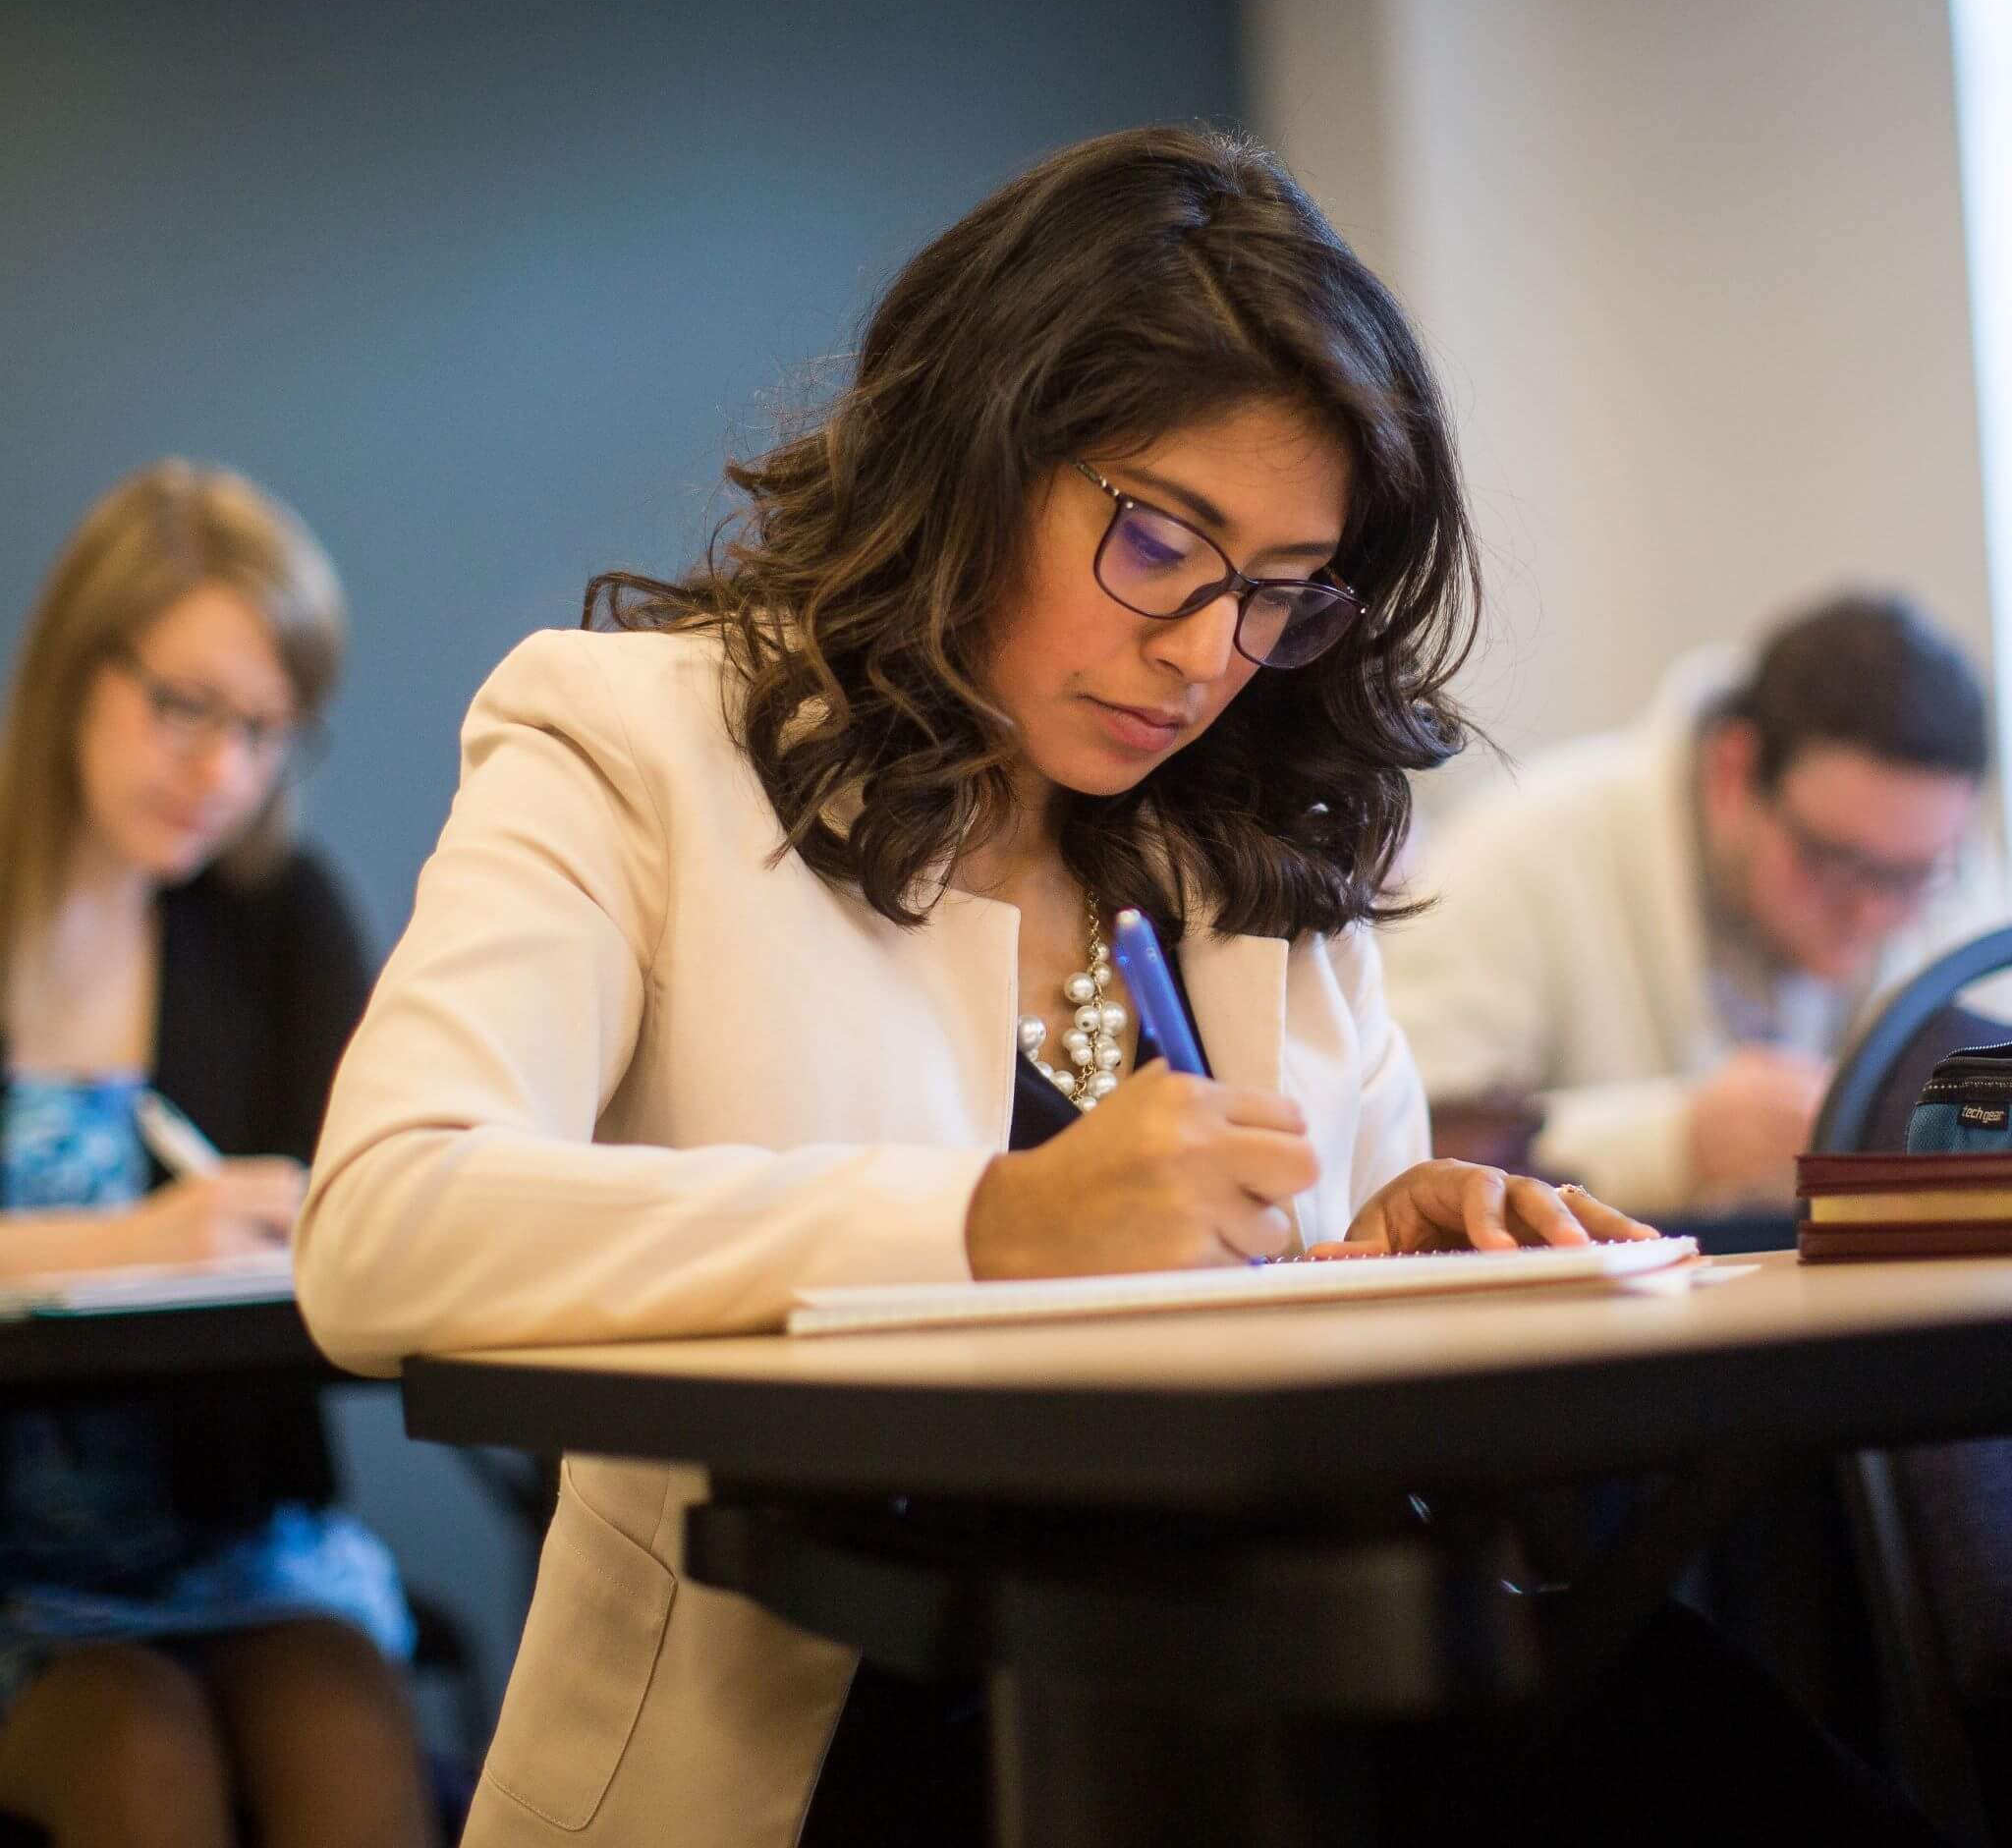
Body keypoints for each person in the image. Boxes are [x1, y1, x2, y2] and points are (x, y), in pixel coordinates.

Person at [295, 128, 1929, 1848]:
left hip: (1260, 1667)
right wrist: (991, 1221)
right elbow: (381, 1229)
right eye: (1159, 543)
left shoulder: (1248, 846)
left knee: (1682, 1727)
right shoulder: (631, 747)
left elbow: (1288, 1318)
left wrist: (1379, 1253)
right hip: (837, 1719)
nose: (1207, 653)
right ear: (972, 450)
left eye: (1280, 594)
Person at [0, 463, 436, 1846]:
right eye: (184, 707)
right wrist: (129, 1243)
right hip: (19, 1589)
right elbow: (161, 1238)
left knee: (350, 1732)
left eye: (265, 731)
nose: (220, 773)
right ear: (77, 661)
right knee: (140, 1751)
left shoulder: (278, 916)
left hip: (248, 1544)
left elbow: (376, 1197)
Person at [1382, 597, 2003, 1216]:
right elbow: (1400, 1151)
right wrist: (1676, 1145)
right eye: (1834, 863)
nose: (1871, 915)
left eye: (1912, 877)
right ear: (1734, 771)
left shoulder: (1946, 873)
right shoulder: (1516, 851)